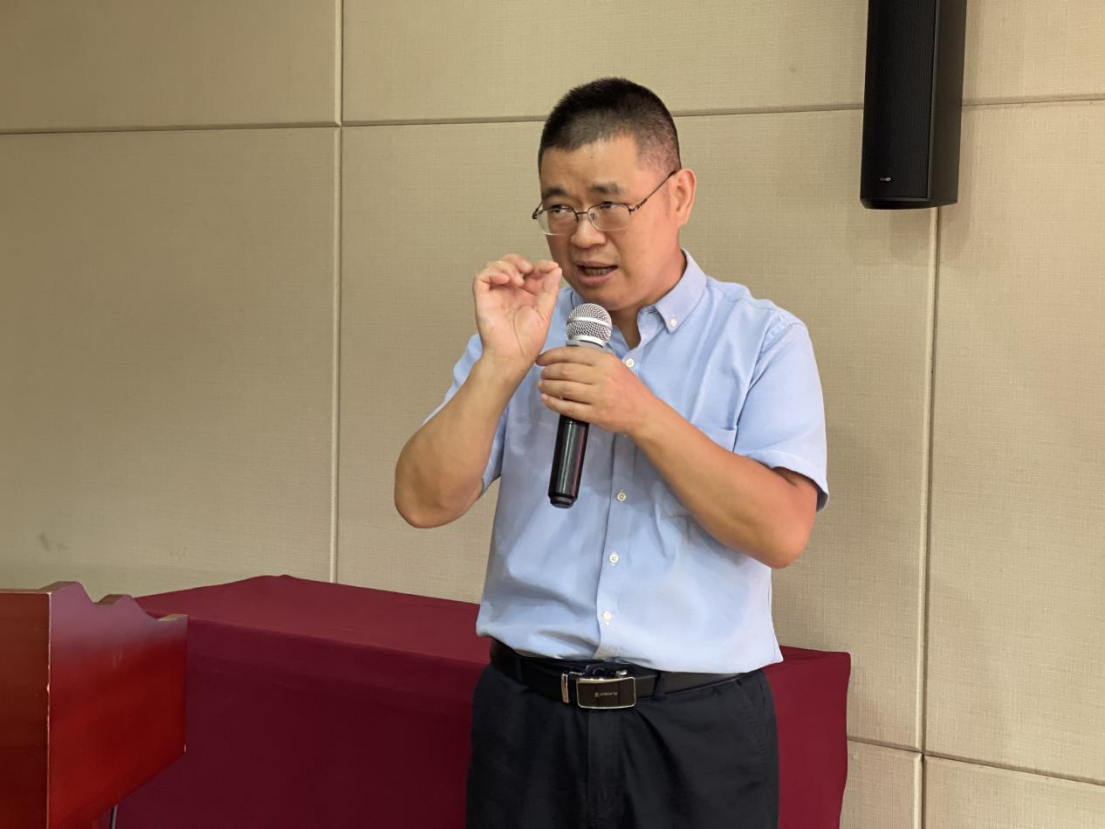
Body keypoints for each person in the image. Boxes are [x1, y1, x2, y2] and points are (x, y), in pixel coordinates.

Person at [394, 77, 828, 829]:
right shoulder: (527, 329)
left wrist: (645, 416)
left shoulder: (763, 339)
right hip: (529, 718)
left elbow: (781, 531)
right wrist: (501, 366)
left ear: (678, 195)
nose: (583, 235)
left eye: (608, 205)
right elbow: (421, 501)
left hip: (694, 728)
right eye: (559, 208)